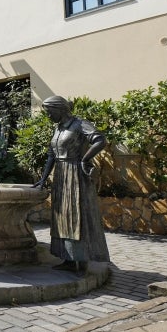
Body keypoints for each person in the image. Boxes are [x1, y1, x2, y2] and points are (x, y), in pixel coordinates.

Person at [33, 96, 109, 272]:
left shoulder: (79, 124)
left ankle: (82, 259)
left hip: (76, 174)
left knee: (77, 215)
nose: (48, 116)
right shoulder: (58, 129)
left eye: (50, 112)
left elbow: (100, 140)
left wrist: (85, 159)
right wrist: (44, 179)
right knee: (62, 217)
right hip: (60, 175)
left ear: (60, 109)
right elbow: (51, 155)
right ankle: (67, 258)